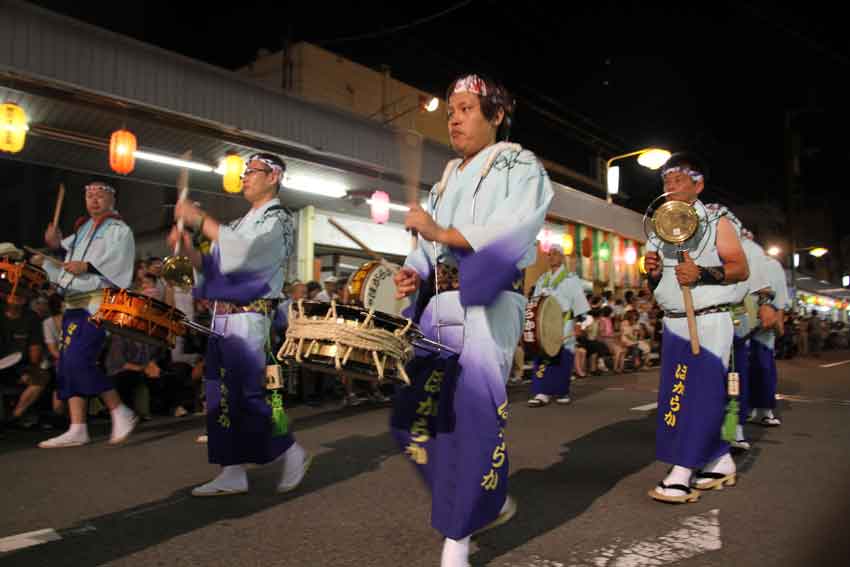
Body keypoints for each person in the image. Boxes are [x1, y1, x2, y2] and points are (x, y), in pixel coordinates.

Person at [392, 73, 551, 567]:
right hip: (440, 305)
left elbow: (514, 230)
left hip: (488, 301)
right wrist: (411, 269)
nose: (455, 119)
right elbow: (426, 247)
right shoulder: (447, 175)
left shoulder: (519, 164)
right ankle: (486, 497)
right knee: (412, 417)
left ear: (496, 115)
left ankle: (458, 536)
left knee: (472, 417)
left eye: (465, 109)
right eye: (451, 111)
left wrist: (440, 229)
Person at [169, 152, 310, 496]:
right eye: (245, 172)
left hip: (249, 317)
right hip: (224, 317)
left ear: (274, 176)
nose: (245, 177)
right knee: (219, 395)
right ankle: (232, 470)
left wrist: (200, 218)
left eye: (252, 172)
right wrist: (189, 253)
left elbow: (246, 253)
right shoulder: (243, 221)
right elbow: (218, 263)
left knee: (247, 396)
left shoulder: (278, 220)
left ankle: (291, 451)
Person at [643, 153, 749, 504]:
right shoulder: (660, 224)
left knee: (699, 395)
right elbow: (654, 284)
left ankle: (683, 471)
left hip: (708, 318)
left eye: (678, 178)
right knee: (677, 396)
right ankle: (720, 459)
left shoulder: (716, 219)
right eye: (666, 180)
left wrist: (702, 273)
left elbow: (738, 267)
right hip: (674, 322)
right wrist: (653, 272)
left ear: (698, 184)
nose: (670, 185)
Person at [36, 180, 137, 448]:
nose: (94, 199)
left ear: (112, 198)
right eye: (89, 195)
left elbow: (118, 266)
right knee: (67, 363)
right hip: (72, 304)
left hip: (97, 304)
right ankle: (77, 426)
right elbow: (64, 258)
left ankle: (119, 409)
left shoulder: (119, 230)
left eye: (100, 194)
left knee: (79, 359)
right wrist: (55, 246)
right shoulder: (80, 230)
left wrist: (88, 266)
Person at [527, 244, 589, 407]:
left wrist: (580, 324)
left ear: (562, 257)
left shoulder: (571, 279)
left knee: (562, 358)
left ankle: (562, 392)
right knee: (541, 355)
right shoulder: (542, 279)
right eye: (549, 254)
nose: (551, 257)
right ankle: (541, 392)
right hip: (544, 324)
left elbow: (579, 302)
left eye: (555, 254)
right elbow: (535, 302)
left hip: (564, 323)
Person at [748, 243, 790, 427]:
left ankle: (763, 410)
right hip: (744, 323)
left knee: (761, 366)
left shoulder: (771, 265)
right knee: (751, 368)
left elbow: (780, 298)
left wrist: (778, 321)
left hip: (760, 325)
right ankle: (755, 410)